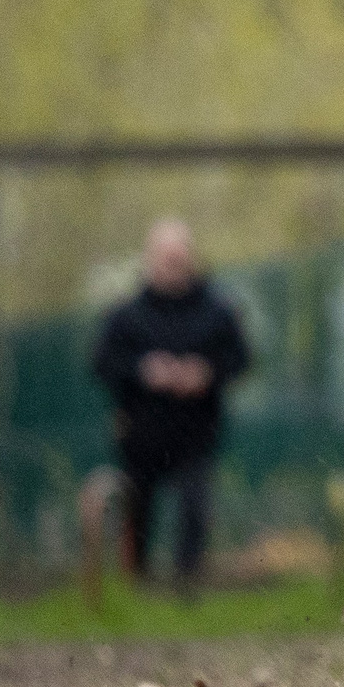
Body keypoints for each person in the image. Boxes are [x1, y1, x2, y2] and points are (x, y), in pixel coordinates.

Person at [92, 218, 249, 589]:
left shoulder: (217, 312)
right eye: (166, 260)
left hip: (196, 431)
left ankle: (187, 586)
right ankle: (136, 585)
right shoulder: (126, 315)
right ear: (150, 260)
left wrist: (206, 373)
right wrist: (143, 370)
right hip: (141, 433)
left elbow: (240, 359)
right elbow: (102, 362)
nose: (173, 268)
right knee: (139, 509)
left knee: (194, 506)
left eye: (179, 260)